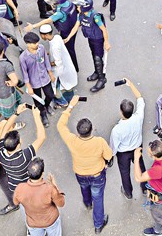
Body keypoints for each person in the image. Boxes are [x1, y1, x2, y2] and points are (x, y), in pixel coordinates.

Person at [56, 97, 112, 233]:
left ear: (78, 132)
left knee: (84, 187)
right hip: (97, 175)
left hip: (80, 173)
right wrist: (106, 164)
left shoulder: (72, 140)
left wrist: (70, 106)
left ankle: (87, 203)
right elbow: (109, 156)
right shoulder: (99, 142)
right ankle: (98, 225)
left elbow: (60, 125)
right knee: (98, 198)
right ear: (91, 130)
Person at [109, 79, 145, 200]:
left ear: (121, 112)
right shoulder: (138, 117)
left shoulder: (117, 129)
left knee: (125, 173)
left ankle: (128, 192)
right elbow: (140, 98)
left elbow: (114, 147)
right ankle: (145, 187)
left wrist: (111, 156)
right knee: (140, 166)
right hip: (137, 148)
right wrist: (131, 84)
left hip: (123, 153)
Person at [12, 157, 66, 236]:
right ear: (42, 173)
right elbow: (61, 203)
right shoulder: (50, 189)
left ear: (28, 173)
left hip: (33, 223)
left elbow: (15, 202)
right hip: (50, 221)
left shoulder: (20, 188)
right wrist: (55, 186)